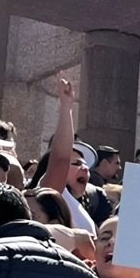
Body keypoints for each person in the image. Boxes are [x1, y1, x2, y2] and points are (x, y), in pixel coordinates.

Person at [34, 78, 109, 233]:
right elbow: (61, 159)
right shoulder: (51, 192)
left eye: (85, 165)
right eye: (75, 163)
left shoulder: (79, 207)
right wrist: (66, 107)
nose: (84, 169)